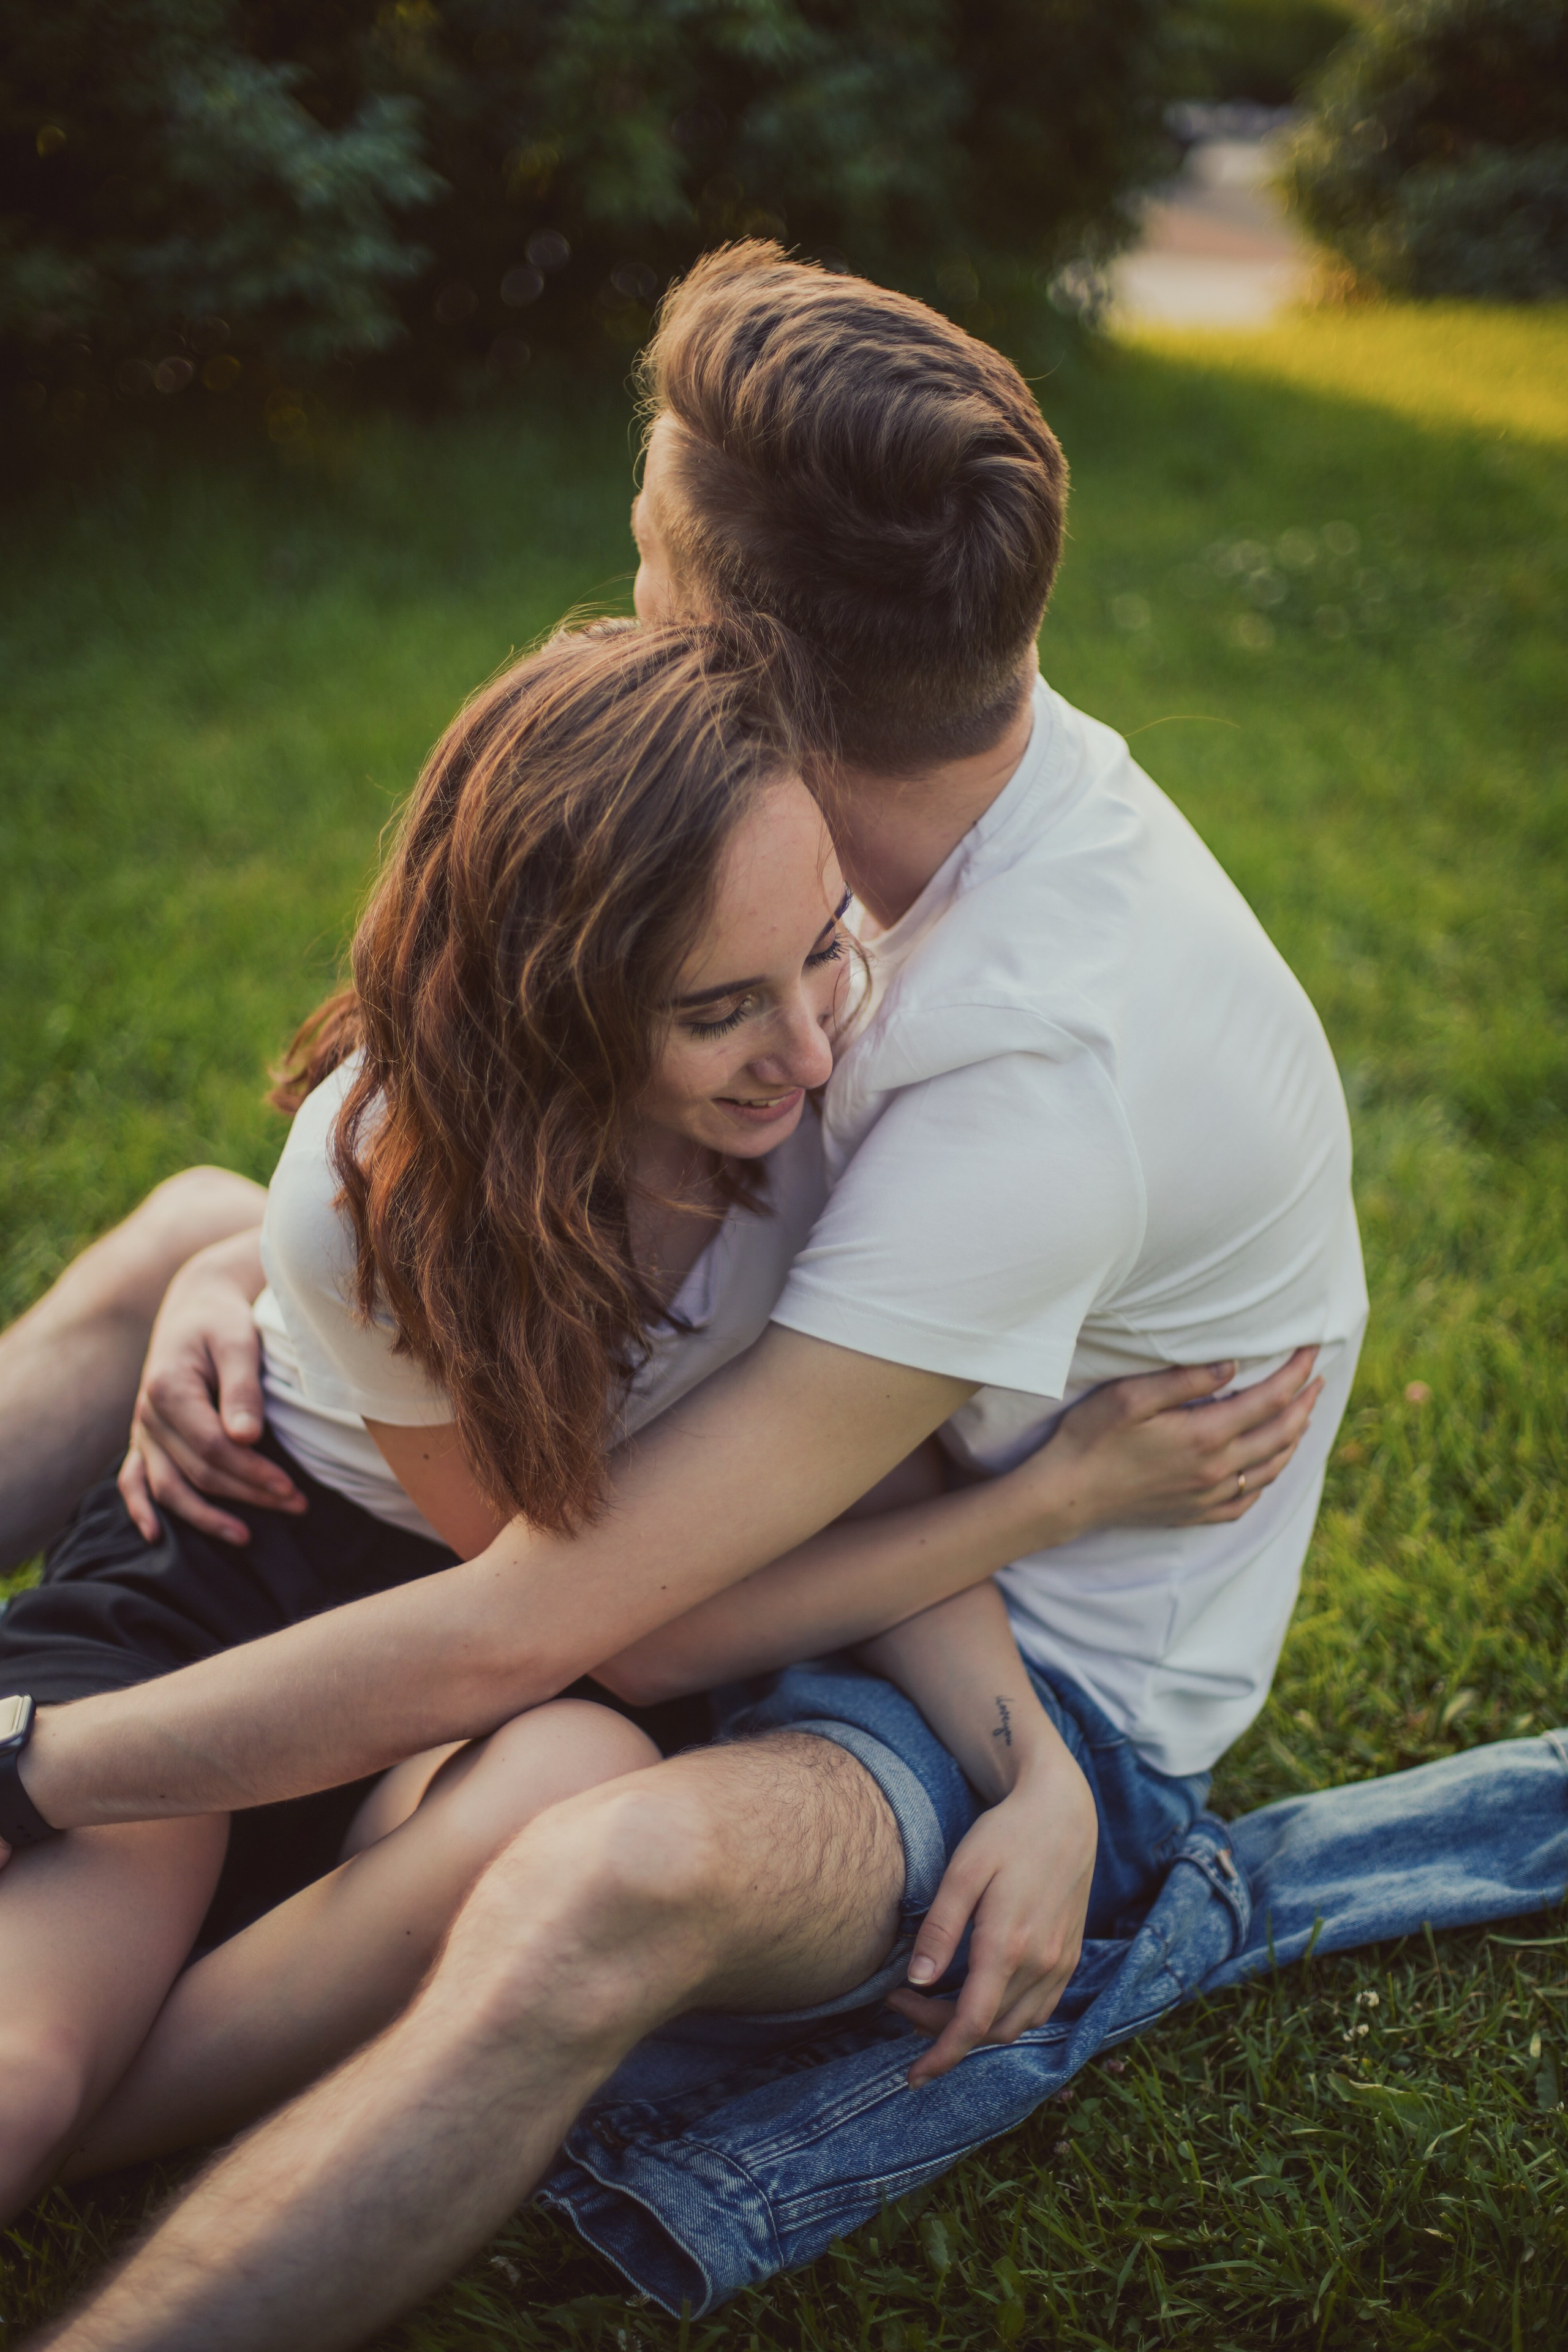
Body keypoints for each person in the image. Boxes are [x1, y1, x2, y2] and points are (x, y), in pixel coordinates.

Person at [8, 242, 1372, 2348]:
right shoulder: (814, 843)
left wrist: (1051, 1765)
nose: (621, 587)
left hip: (1017, 1663)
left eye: (645, 548)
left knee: (582, 1857)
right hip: (573, 1525)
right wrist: (263, 1277)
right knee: (177, 1246)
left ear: (737, 657)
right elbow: (441, 1178)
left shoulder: (999, 1075)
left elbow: (578, 1605)